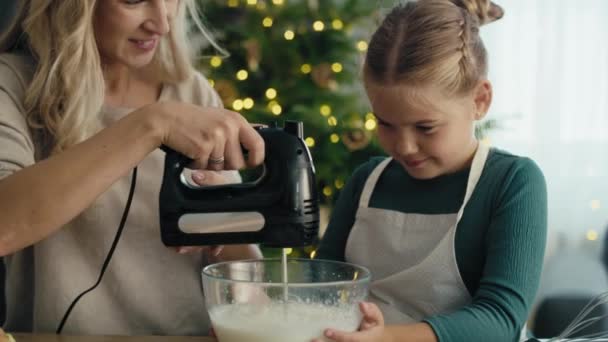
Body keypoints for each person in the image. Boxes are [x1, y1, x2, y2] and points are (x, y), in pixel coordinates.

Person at [0, 0, 264, 335]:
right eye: (134, 1)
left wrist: (228, 224)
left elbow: (242, 269)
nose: (162, 23)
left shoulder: (192, 91)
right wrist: (152, 124)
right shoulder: (11, 84)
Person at [314, 0, 547, 341]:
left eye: (425, 127)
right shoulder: (366, 181)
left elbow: (501, 319)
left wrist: (388, 338)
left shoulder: (512, 182)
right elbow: (321, 287)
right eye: (385, 124)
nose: (404, 146)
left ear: (479, 100)